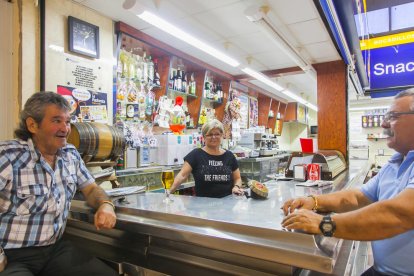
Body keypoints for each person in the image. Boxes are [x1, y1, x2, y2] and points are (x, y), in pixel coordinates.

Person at [281, 88, 414, 276]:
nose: (384, 123)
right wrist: (315, 201)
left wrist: (323, 223)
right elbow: (358, 196)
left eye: (393, 116)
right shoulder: (396, 162)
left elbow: (399, 214)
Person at [0, 92, 118, 276]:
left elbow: (91, 188)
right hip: (13, 255)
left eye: (68, 121)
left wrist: (105, 204)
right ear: (32, 124)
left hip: (55, 250)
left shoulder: (70, 154)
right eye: (56, 121)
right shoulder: (8, 156)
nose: (65, 128)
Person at [169, 119, 243, 198]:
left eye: (217, 134)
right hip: (202, 206)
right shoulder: (196, 154)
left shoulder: (229, 156)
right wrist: (168, 193)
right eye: (210, 134)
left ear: (222, 135)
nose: (213, 137)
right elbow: (182, 175)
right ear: (204, 137)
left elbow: (237, 178)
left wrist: (236, 187)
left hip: (226, 204)